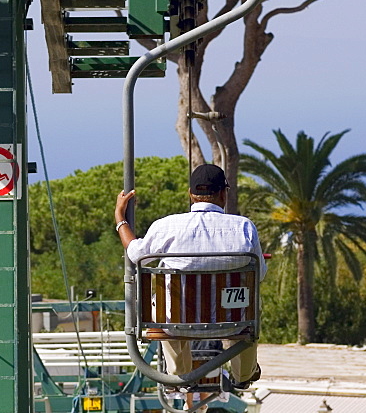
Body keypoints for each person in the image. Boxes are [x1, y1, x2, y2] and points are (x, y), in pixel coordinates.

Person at [114, 163, 267, 389]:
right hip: (232, 323)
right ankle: (243, 374)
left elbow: (136, 254)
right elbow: (260, 274)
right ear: (223, 193)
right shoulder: (243, 227)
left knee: (166, 306)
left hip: (177, 323)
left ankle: (179, 376)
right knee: (251, 301)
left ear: (191, 194)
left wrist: (120, 218)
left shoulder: (166, 226)